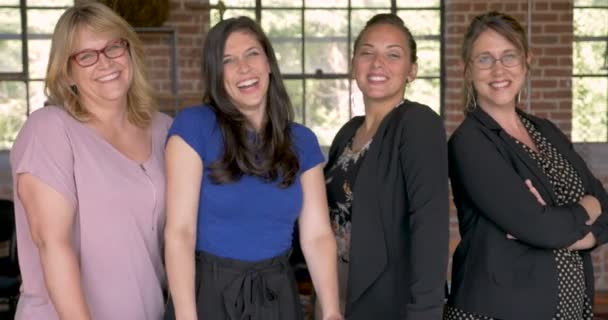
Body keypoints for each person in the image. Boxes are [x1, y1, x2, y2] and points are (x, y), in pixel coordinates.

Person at [163, 16, 342, 320]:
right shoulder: (193, 127)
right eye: (228, 60)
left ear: (269, 63)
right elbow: (180, 232)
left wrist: (332, 311)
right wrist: (185, 315)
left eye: (252, 53)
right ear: (216, 76)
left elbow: (317, 235)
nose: (243, 68)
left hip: (277, 293)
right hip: (208, 294)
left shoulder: (301, 140)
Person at [9, 2, 172, 320]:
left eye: (114, 46)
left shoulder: (164, 129)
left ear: (130, 52)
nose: (106, 62)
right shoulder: (50, 129)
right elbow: (52, 244)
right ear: (67, 72)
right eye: (86, 55)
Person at [444, 11, 608, 320]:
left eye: (509, 56)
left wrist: (580, 232)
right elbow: (539, 227)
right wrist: (585, 209)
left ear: (526, 62)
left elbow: (605, 205)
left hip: (569, 308)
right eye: (484, 59)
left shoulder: (546, 131)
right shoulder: (470, 142)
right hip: (501, 310)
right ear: (466, 70)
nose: (498, 69)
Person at [320, 13, 449, 319]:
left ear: (411, 71)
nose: (378, 64)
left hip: (389, 297)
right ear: (354, 65)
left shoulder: (418, 123)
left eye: (393, 54)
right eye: (367, 52)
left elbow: (430, 225)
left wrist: (425, 311)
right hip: (338, 291)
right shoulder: (347, 132)